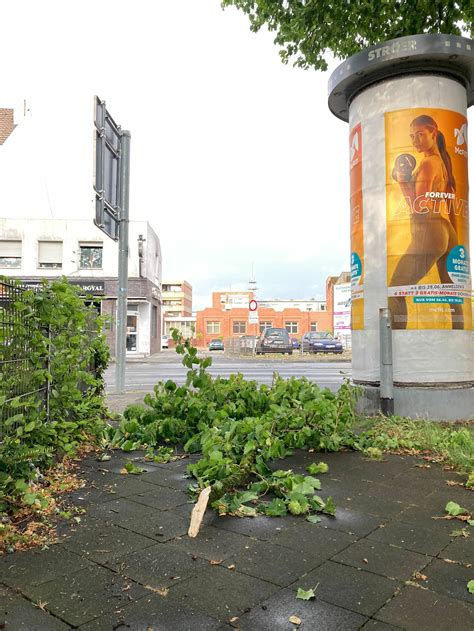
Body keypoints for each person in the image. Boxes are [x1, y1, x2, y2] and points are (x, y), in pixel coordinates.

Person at [389, 114, 463, 330]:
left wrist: (403, 181)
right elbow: (450, 207)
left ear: (434, 132)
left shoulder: (428, 164)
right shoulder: (443, 163)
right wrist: (455, 243)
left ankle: (397, 347)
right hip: (445, 230)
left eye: (420, 135)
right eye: (412, 137)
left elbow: (419, 207)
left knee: (395, 290)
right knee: (453, 296)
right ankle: (459, 346)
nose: (415, 141)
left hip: (429, 230)